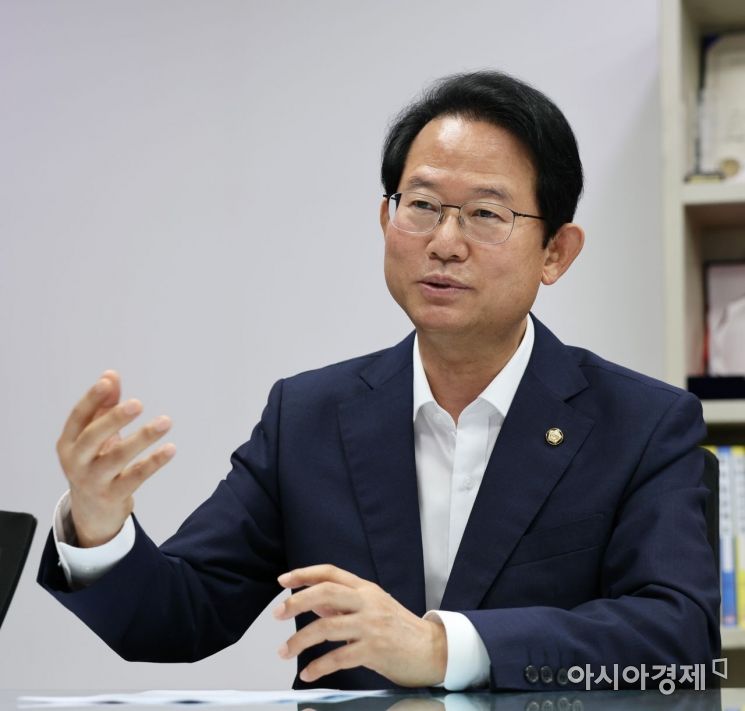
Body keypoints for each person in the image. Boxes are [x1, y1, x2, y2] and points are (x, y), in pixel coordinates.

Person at [38, 70, 720, 691]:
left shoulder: (642, 424)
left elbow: (679, 637)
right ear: (385, 219)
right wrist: (99, 526)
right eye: (420, 205)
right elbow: (177, 617)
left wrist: (442, 648)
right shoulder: (308, 416)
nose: (444, 242)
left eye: (486, 215)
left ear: (555, 253)